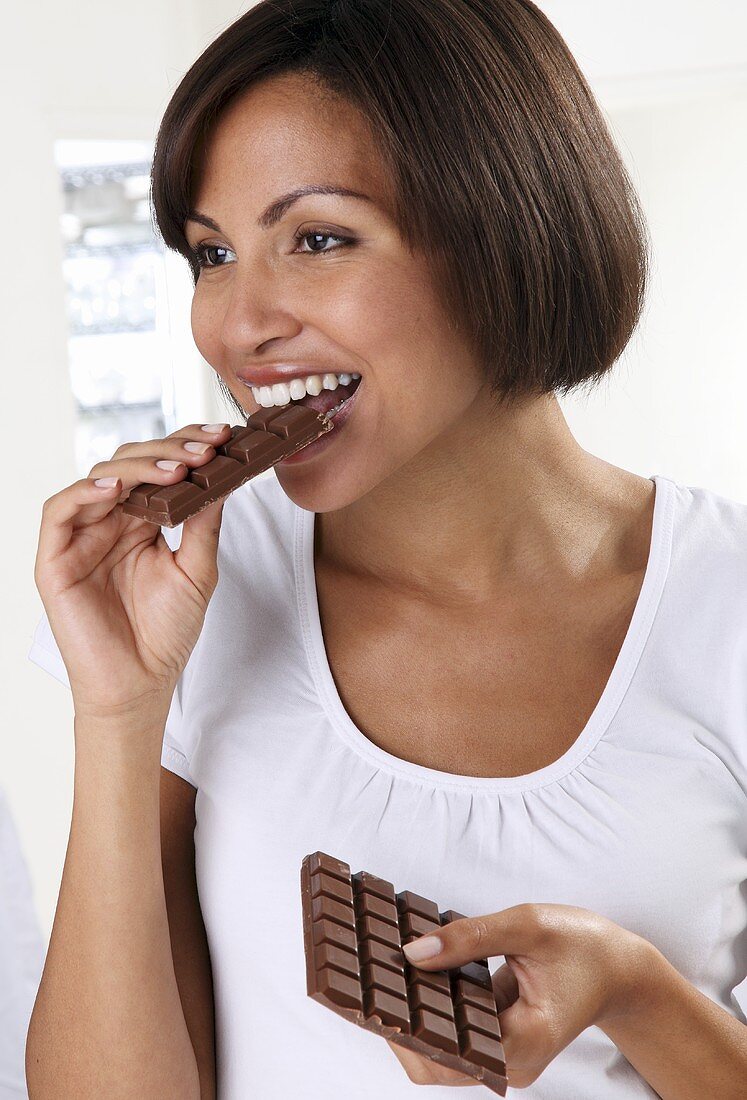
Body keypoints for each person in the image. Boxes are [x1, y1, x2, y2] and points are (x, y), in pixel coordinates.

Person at [25, 1, 747, 1097]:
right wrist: (119, 713)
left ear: (506, 230)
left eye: (317, 238)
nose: (237, 323)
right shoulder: (196, 591)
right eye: (211, 253)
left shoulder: (727, 602)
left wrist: (639, 990)